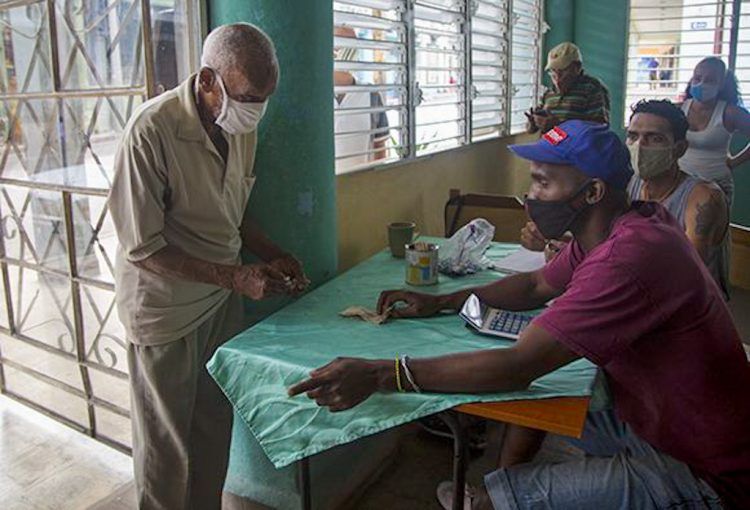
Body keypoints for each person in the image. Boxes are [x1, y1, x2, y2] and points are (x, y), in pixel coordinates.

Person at [288, 121, 750, 510]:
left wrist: (381, 374)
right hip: (658, 420)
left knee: (508, 487)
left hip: (706, 470)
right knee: (539, 403)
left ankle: (496, 498)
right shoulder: (621, 226)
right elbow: (535, 284)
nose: (530, 195)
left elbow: (517, 365)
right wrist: (444, 300)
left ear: (591, 192)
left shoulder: (628, 258)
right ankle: (504, 486)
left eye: (543, 183)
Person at [108, 23, 309, 509]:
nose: (254, 110)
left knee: (213, 431)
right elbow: (143, 249)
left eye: (263, 99)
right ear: (206, 81)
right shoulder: (150, 132)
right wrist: (234, 276)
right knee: (166, 451)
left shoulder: (240, 130)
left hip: (219, 304)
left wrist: (270, 252)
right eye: (245, 97)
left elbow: (233, 216)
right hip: (166, 312)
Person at [627, 99, 730, 299]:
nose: (640, 146)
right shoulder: (630, 183)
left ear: (680, 148)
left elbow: (685, 272)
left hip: (692, 308)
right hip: (641, 293)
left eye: (654, 138)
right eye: (633, 136)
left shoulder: (703, 198)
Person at [680, 56, 750, 207]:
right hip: (680, 183)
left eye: (710, 80)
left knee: (713, 229)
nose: (701, 83)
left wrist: (734, 161)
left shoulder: (731, 112)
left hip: (716, 184)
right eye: (697, 78)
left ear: (721, 85)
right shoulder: (679, 109)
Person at [334, 25, 390, 172]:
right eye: (340, 43)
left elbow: (380, 148)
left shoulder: (371, 95)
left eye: (352, 45)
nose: (345, 50)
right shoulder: (314, 95)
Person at [526, 42, 610, 134]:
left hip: (577, 148)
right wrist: (533, 124)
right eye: (553, 71)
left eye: (563, 71)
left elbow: (599, 129)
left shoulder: (592, 88)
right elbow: (534, 130)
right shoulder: (548, 93)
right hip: (550, 147)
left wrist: (558, 126)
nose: (557, 78)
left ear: (577, 67)